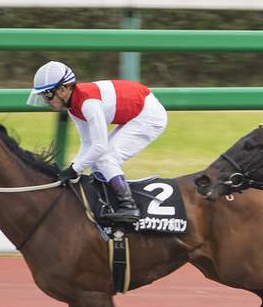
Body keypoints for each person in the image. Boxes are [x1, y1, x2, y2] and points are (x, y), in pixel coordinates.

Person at [27, 61, 167, 225]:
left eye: (48, 95)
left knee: (105, 159)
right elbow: (87, 144)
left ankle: (129, 206)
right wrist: (72, 169)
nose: (46, 100)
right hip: (136, 112)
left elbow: (99, 147)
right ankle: (108, 204)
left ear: (63, 90)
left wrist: (74, 169)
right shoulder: (73, 107)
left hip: (149, 115)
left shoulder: (88, 104)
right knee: (96, 162)